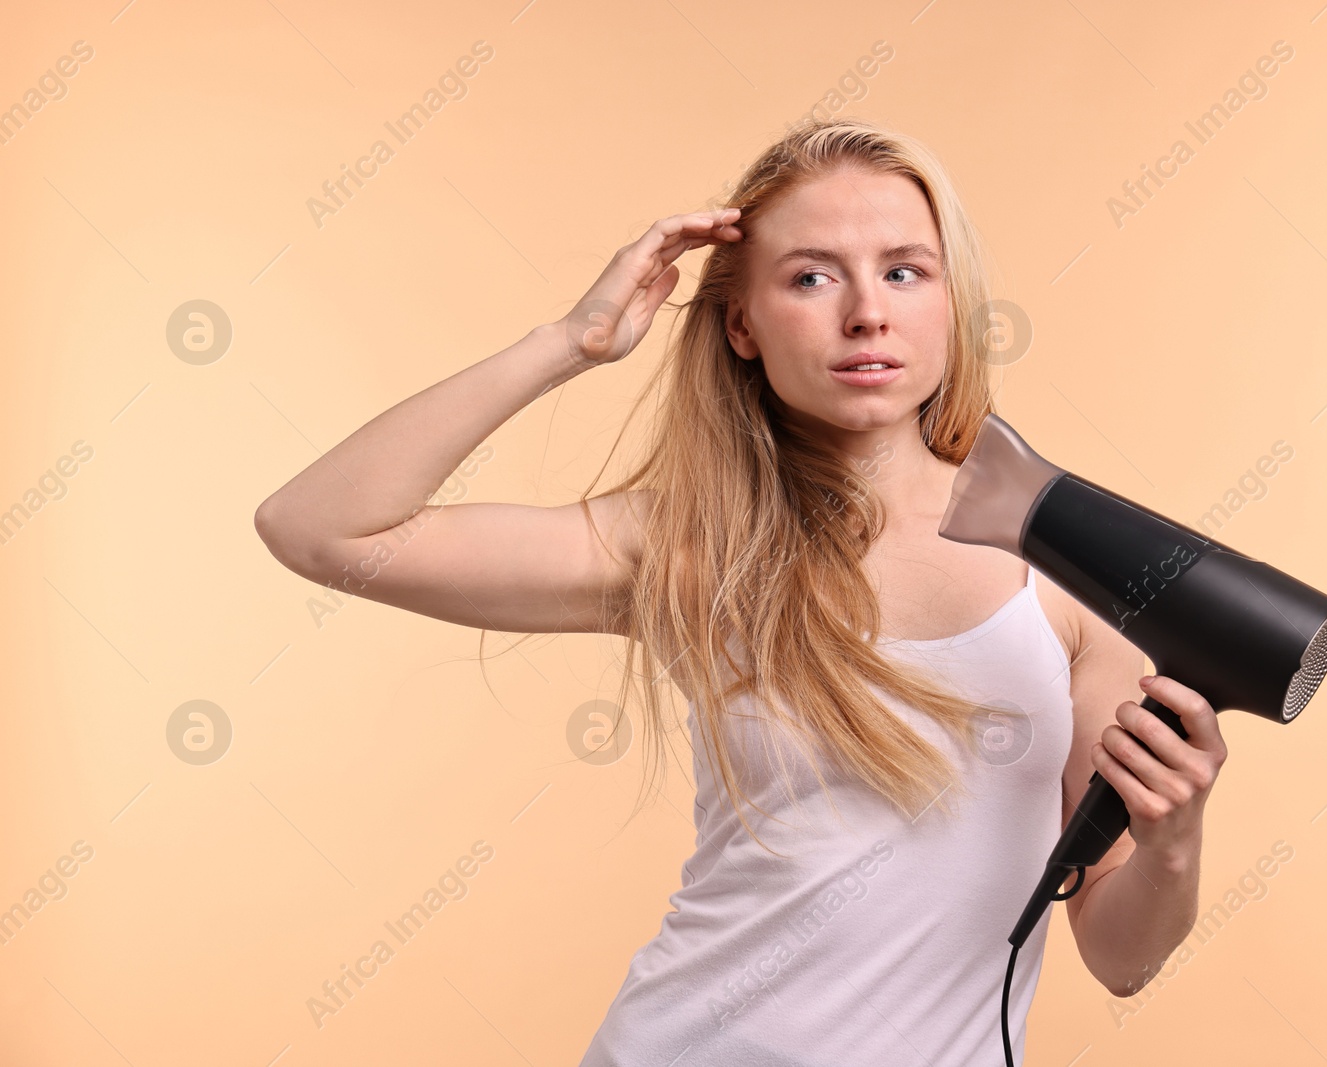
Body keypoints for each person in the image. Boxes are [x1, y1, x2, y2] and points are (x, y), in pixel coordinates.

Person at [254, 116, 1228, 1065]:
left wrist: (1172, 841)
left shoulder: (1071, 570)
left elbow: (1120, 957)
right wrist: (571, 340)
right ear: (742, 325)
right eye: (811, 276)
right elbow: (320, 528)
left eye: (903, 269)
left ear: (949, 301)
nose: (866, 312)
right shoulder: (687, 545)